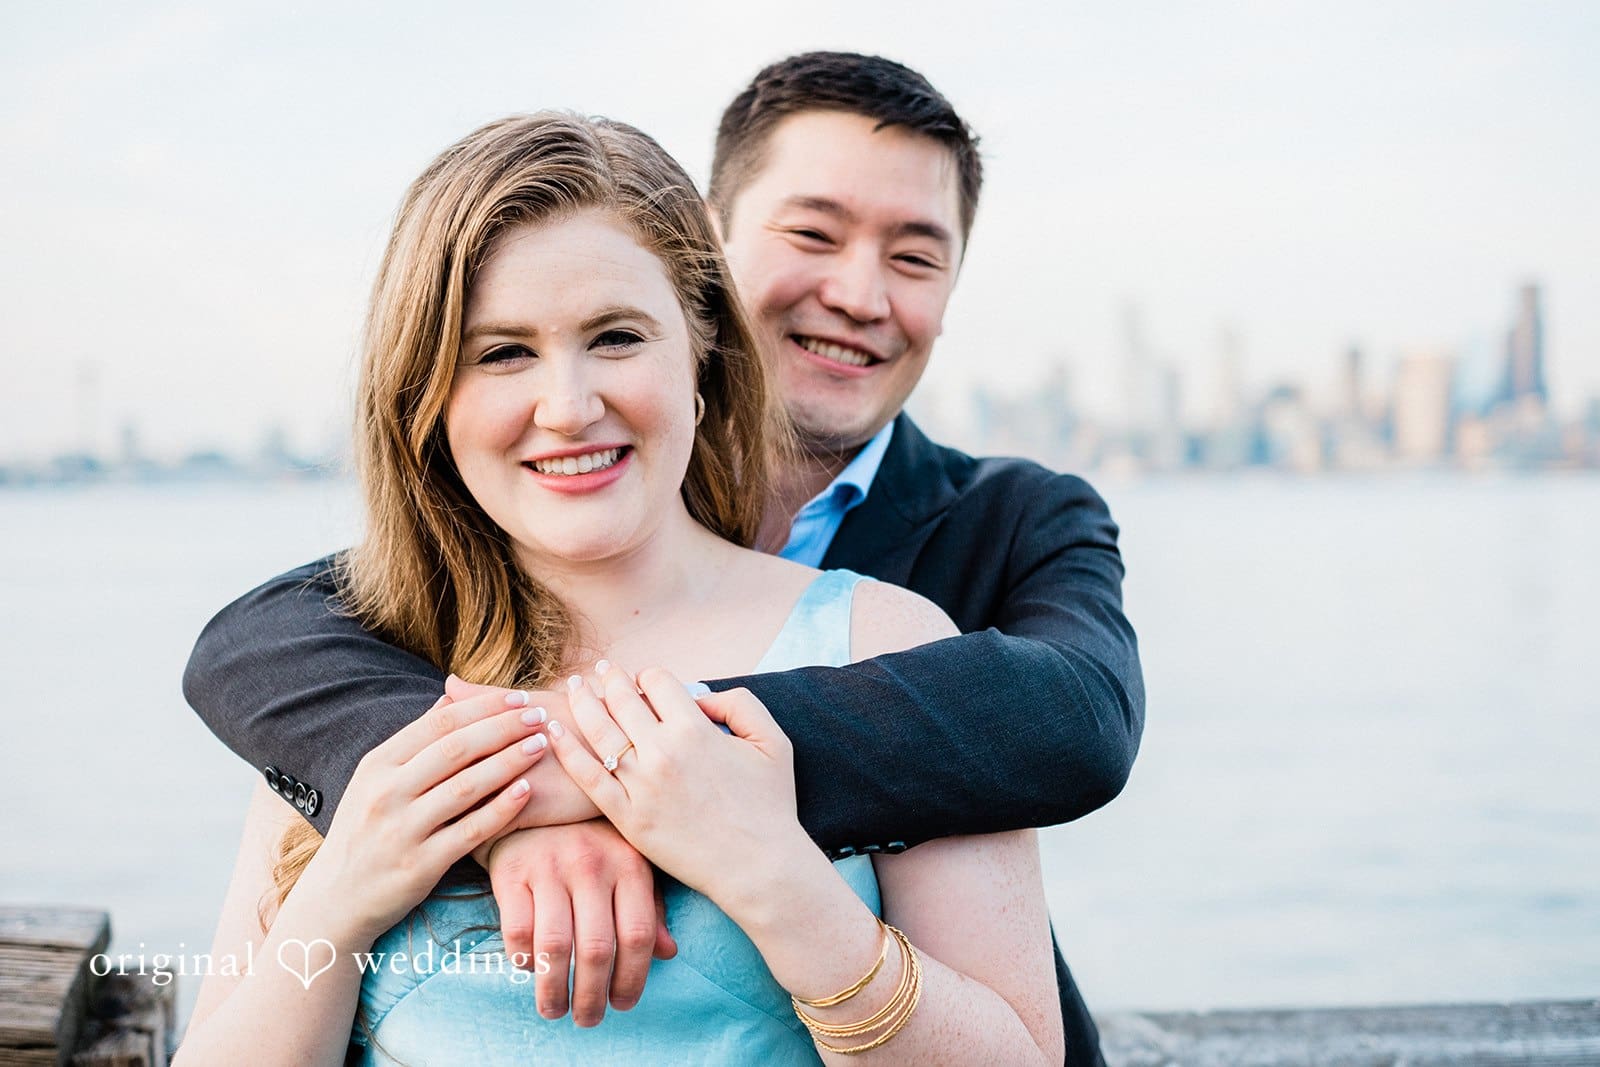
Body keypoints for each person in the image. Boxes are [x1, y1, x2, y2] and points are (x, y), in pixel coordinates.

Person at [185, 52, 1142, 1064]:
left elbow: (1074, 711)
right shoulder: (373, 672)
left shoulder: (920, 609)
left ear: (697, 353)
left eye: (615, 338)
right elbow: (238, 650)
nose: (567, 403)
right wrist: (377, 872)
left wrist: (754, 855)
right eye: (501, 350)